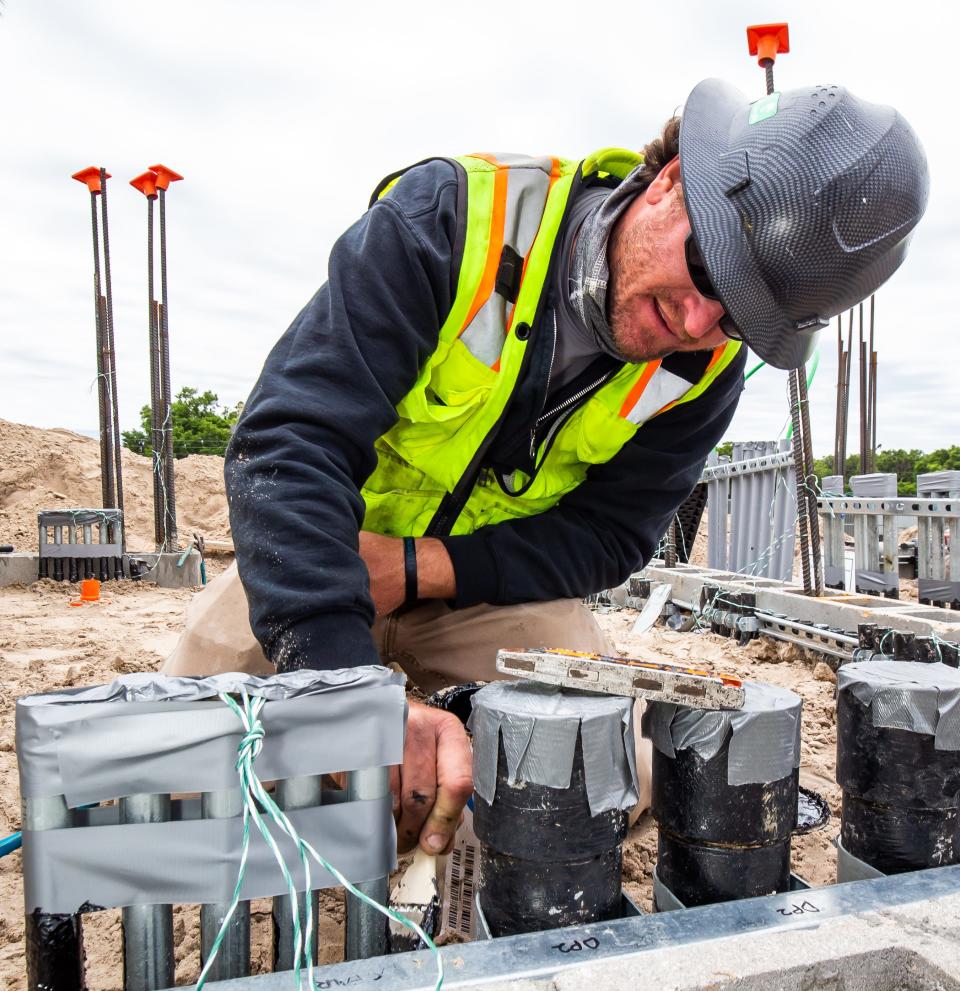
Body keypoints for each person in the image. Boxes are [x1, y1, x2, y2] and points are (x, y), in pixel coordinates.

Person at [165, 77, 928, 856]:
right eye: (707, 266)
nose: (697, 321)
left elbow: (608, 537)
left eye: (735, 317)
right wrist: (342, 688)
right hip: (330, 553)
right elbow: (289, 441)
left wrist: (419, 568)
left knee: (564, 790)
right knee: (176, 769)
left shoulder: (700, 372)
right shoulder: (451, 222)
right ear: (669, 182)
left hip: (477, 588)